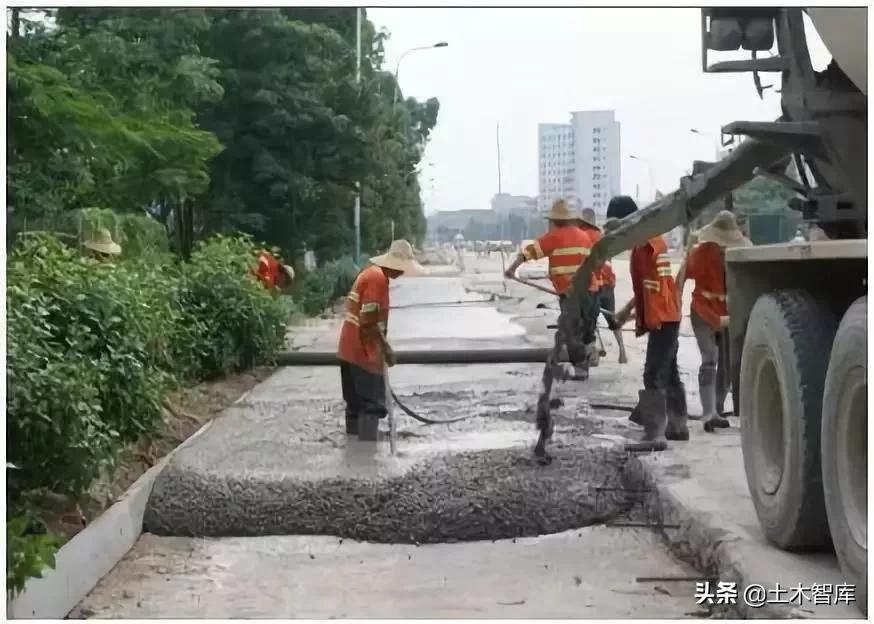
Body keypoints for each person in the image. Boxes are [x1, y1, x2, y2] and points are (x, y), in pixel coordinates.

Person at [609, 196, 687, 451]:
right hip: (666, 315)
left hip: (665, 317)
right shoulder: (643, 245)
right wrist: (627, 312)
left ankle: (655, 433)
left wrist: (644, 317)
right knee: (670, 372)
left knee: (653, 375)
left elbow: (659, 291)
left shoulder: (649, 246)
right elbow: (648, 290)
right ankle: (677, 426)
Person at [337, 240, 424, 441]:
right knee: (371, 407)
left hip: (348, 349)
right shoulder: (377, 279)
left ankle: (353, 459)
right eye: (402, 269)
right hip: (363, 352)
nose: (402, 273)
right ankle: (369, 460)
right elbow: (368, 319)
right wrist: (385, 349)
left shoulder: (369, 274)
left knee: (355, 406)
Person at [504, 198, 598, 380]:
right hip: (591, 291)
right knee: (585, 329)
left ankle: (581, 369)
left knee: (571, 331)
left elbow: (528, 252)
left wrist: (512, 269)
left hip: (571, 294)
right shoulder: (584, 236)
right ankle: (587, 355)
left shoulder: (555, 237)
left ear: (555, 221)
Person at [676, 210, 751, 432]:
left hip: (727, 314)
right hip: (703, 311)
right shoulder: (701, 253)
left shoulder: (739, 255)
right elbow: (680, 279)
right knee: (710, 358)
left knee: (727, 366)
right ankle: (708, 412)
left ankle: (717, 409)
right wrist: (675, 304)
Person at [580, 208, 628, 364]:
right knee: (612, 318)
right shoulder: (601, 236)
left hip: (594, 287)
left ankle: (593, 356)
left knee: (589, 322)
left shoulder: (581, 237)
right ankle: (622, 352)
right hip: (608, 284)